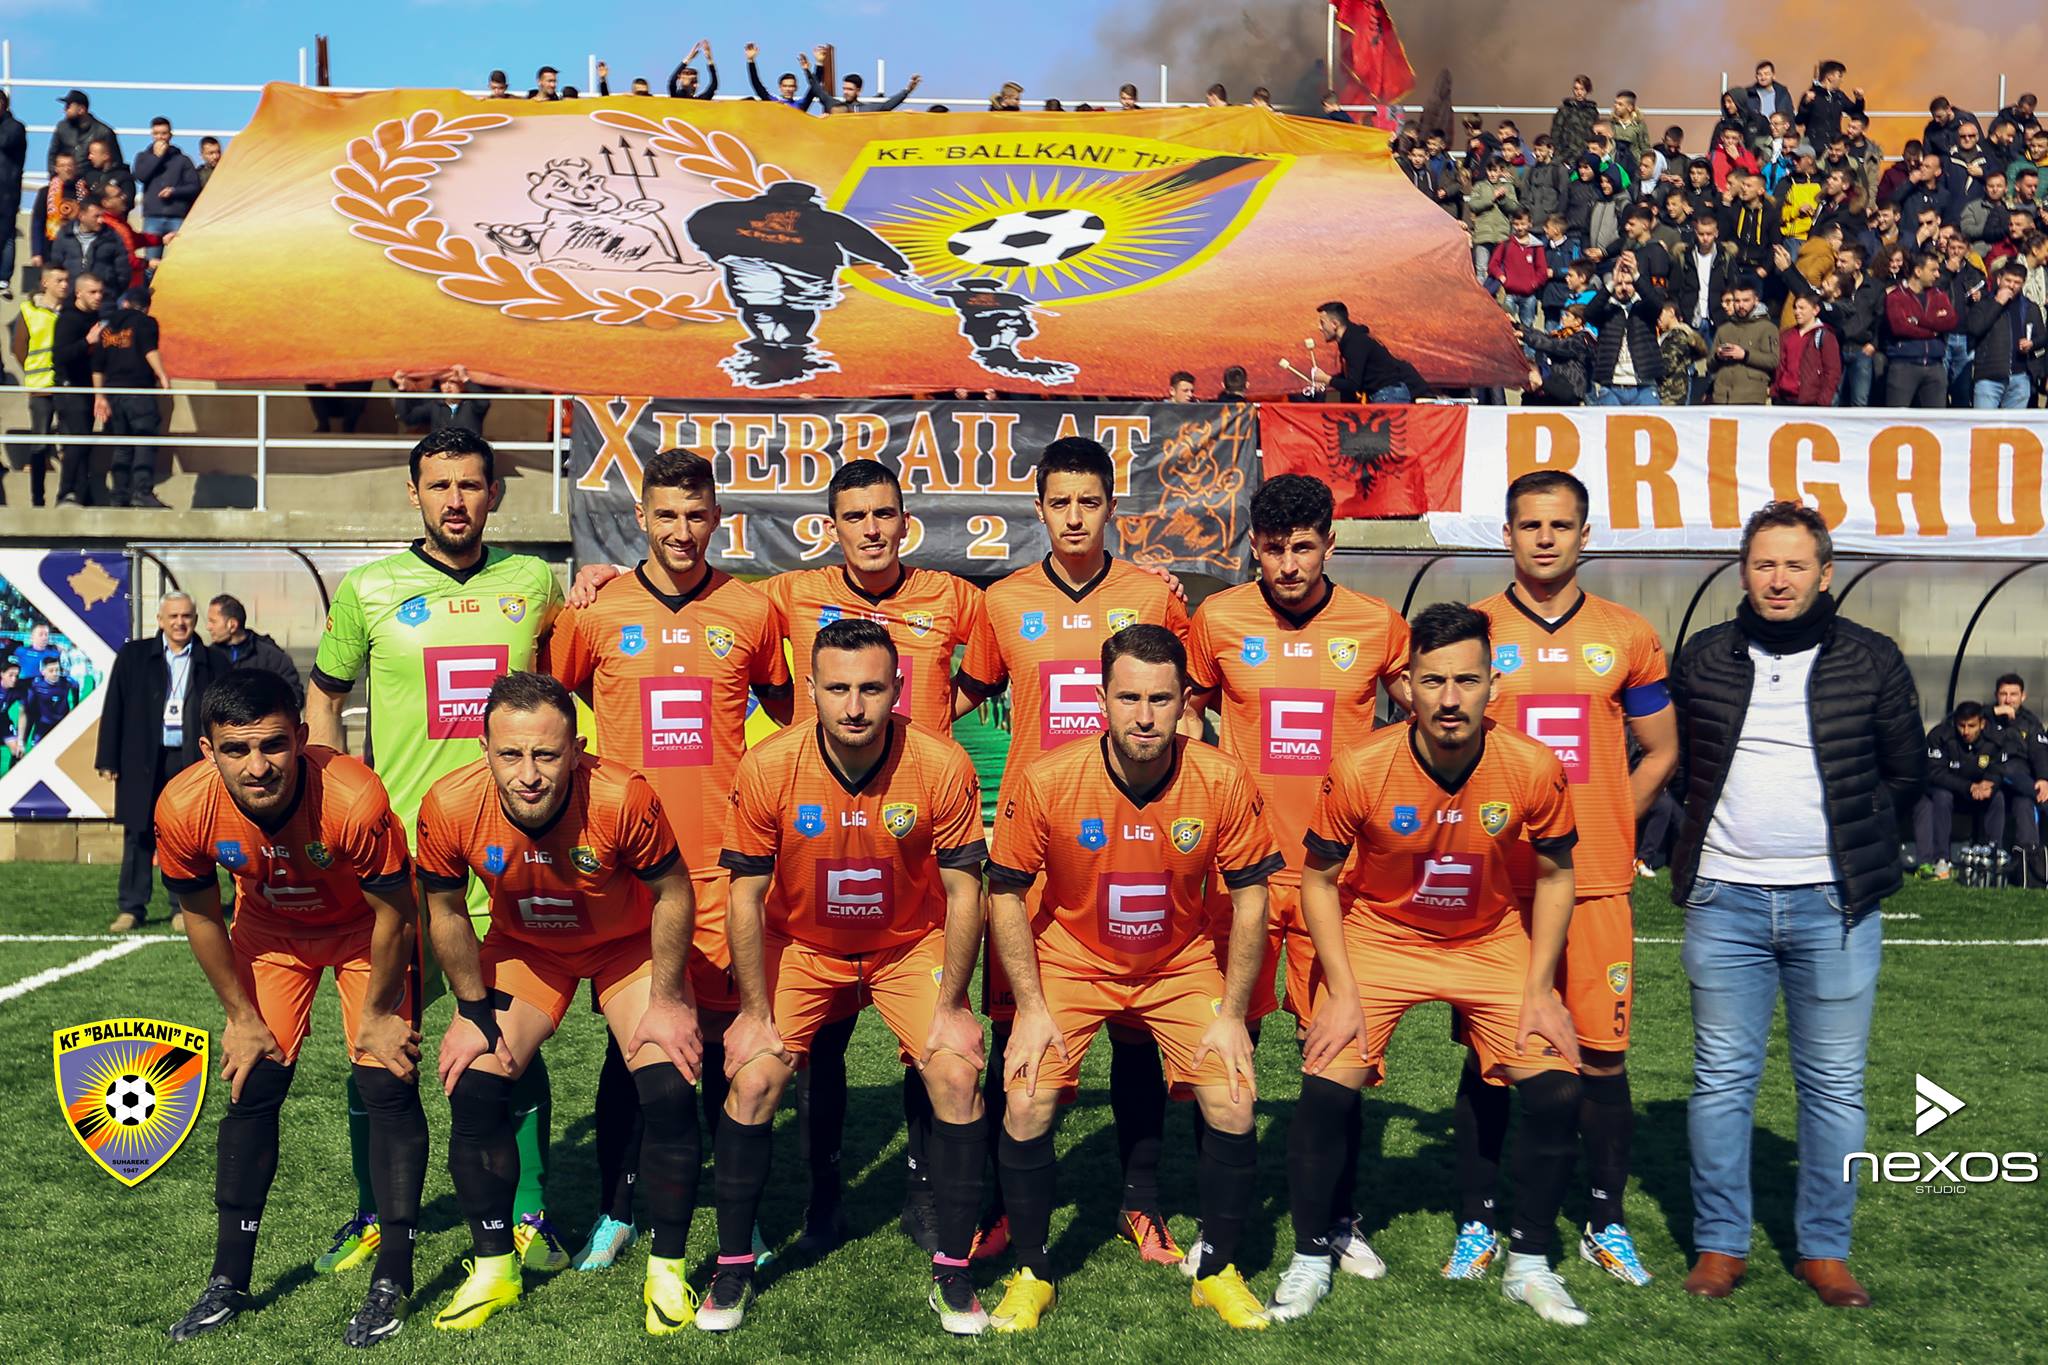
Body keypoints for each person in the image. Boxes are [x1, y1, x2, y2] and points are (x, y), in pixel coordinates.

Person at [307, 428, 565, 1280]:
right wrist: (330, 801)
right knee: (379, 1043)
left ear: (496, 494)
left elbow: (570, 674)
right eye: (440, 484)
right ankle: (374, 1212)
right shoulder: (369, 588)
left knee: (511, 1044)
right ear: (413, 492)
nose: (456, 500)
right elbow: (324, 695)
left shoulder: (534, 582)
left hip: (508, 860)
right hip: (400, 867)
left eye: (471, 484)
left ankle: (528, 1210)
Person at [1290, 602, 1586, 1326]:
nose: (1450, 698)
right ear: (1407, 687)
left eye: (1466, 680)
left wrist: (1541, 987)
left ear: (1493, 685)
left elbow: (1556, 874)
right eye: (1432, 680)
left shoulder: (1533, 766)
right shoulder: (1360, 767)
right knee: (1326, 1087)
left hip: (1488, 939)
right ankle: (1309, 1257)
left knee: (1556, 1092)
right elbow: (1318, 881)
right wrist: (1343, 991)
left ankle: (1531, 1263)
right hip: (1382, 935)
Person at [986, 624, 1281, 1331]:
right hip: (1072, 959)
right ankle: (1032, 1274)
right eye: (1128, 698)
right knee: (1026, 1099)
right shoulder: (1049, 778)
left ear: (1184, 702)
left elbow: (1251, 900)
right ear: (1101, 700)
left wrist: (1231, 1014)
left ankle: (1218, 1271)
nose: (1144, 716)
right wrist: (1030, 1007)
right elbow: (1005, 890)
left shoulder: (1221, 778)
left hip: (1178, 963)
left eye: (1160, 699)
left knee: (1234, 1099)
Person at [1670, 500, 1923, 1309]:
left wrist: (1843, 851)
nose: (1778, 579)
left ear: (1825, 573)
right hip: (1724, 898)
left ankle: (1825, 1248)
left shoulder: (1873, 658)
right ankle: (1720, 1244)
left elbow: (1905, 772)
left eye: (1794, 564)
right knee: (1721, 1080)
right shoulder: (1704, 657)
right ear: (1744, 571)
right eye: (1764, 564)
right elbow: (1682, 768)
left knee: (1836, 1086)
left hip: (1835, 904)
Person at [707, 620, 993, 1335]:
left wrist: (954, 1006)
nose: (855, 706)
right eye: (838, 689)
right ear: (810, 690)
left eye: (871, 688)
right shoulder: (770, 765)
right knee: (754, 1076)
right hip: (803, 945)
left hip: (906, 946)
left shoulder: (941, 762)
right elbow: (744, 896)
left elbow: (965, 892)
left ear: (898, 688)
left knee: (957, 1072)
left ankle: (954, 1272)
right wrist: (751, 1012)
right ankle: (732, 1267)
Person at [544, 450, 793, 1269]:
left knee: (722, 1042)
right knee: (635, 1046)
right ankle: (616, 1209)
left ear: (716, 518)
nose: (681, 530)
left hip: (722, 867)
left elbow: (789, 716)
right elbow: (554, 702)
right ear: (641, 518)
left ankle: (736, 1213)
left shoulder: (750, 609)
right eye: (666, 515)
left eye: (695, 514)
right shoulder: (599, 610)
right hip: (629, 869)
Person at [955, 438, 1194, 1268]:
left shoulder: (1150, 596)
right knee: (1016, 1026)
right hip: (1035, 848)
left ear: (1111, 507)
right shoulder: (1003, 601)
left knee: (1134, 1029)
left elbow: (1189, 702)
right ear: (1040, 508)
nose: (1074, 516)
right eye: (1059, 502)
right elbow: (965, 691)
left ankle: (1141, 1202)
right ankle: (1003, 1206)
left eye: (1089, 502)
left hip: (1133, 840)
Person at [1442, 472, 1675, 1290]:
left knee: (1602, 1059)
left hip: (1596, 882)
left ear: (1585, 535)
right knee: (1492, 1061)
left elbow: (1662, 749)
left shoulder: (1628, 633)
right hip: (1500, 887)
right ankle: (1479, 1222)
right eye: (1530, 524)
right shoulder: (1474, 633)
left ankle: (1606, 1222)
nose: (1545, 538)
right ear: (1506, 534)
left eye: (1561, 525)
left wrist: (1604, 820)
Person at [415, 673, 702, 1336]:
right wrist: (471, 1009)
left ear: (576, 749)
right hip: (528, 948)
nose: (529, 774)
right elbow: (445, 909)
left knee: (668, 1085)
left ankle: (668, 1271)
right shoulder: (450, 803)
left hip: (625, 947)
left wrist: (665, 999)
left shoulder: (621, 795)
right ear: (484, 749)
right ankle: (495, 1269)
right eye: (510, 754)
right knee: (474, 1083)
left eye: (546, 754)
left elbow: (675, 892)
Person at [1182, 473, 1411, 1283]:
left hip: (1335, 881)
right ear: (1254, 545)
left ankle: (1337, 1219)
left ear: (1330, 543)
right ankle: (1219, 1222)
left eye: (1303, 547)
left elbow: (1422, 717)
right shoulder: (1218, 618)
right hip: (1240, 875)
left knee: (1336, 1054)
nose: (1288, 564)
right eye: (1274, 548)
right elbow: (1188, 712)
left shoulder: (1378, 624)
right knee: (1225, 1046)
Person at [156, 670, 427, 1348]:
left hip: (367, 932)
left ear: (302, 737)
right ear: (207, 751)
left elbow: (397, 912)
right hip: (272, 934)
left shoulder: (352, 796)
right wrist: (240, 1016)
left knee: (386, 1081)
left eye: (273, 744)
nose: (258, 766)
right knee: (252, 1084)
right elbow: (201, 915)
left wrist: (379, 1013)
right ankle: (227, 1278)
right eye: (236, 749)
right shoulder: (183, 805)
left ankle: (392, 1277)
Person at [97, 592, 222, 932]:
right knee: (138, 833)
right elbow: (115, 706)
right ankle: (131, 907)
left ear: (195, 619)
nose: (180, 623)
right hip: (143, 758)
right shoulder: (134, 656)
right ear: (160, 620)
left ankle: (183, 907)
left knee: (185, 835)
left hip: (190, 759)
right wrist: (108, 757)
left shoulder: (214, 661)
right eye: (173, 617)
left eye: (186, 616)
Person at [92, 286, 171, 508]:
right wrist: (162, 375)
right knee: (145, 440)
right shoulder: (146, 322)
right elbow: (149, 350)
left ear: (125, 303)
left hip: (113, 393)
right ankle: (142, 492)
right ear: (146, 307)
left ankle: (119, 495)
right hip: (138, 391)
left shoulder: (107, 327)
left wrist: (99, 396)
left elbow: (97, 366)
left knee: (122, 445)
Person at [1914, 701, 2007, 879]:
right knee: (1942, 796)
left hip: (1979, 793)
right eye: (1961, 725)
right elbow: (1935, 773)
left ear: (1982, 724)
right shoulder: (1940, 735)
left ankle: (1993, 856)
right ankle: (1942, 859)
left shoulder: (1996, 738)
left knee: (1998, 797)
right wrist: (1968, 787)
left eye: (1971, 726)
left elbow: (2000, 768)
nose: (1965, 731)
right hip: (1952, 792)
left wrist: (1989, 783)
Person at [9, 264, 68, 505]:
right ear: (45, 283)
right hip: (41, 386)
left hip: (68, 386)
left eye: (66, 280)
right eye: (59, 280)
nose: (64, 285)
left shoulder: (71, 310)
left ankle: (70, 495)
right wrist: (33, 369)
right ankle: (38, 499)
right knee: (39, 442)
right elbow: (19, 347)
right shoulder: (29, 310)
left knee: (72, 443)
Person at [50, 272, 104, 506]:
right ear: (79, 293)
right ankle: (66, 492)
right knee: (77, 441)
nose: (98, 297)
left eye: (101, 292)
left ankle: (82, 494)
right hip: (69, 389)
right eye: (93, 292)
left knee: (84, 443)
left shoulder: (95, 318)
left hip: (86, 389)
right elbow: (59, 356)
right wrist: (87, 342)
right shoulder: (69, 319)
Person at [1988, 673, 2048, 878]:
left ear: (2023, 696)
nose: (2008, 700)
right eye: (2003, 694)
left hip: (2021, 780)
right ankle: (1993, 856)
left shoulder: (2030, 722)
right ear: (1996, 695)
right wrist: (1993, 712)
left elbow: (2040, 752)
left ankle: (2029, 861)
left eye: (2013, 694)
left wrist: (2043, 779)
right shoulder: (1984, 717)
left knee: (2024, 803)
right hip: (1991, 777)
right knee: (2011, 775)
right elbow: (1958, 720)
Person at [1965, 260, 2045, 408]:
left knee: (2014, 424)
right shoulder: (1983, 304)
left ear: (2023, 284)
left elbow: (2042, 337)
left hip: (2020, 378)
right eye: (2008, 280)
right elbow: (1975, 329)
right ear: (1999, 279)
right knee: (1985, 422)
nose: (2012, 286)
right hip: (1989, 377)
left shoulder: (2030, 307)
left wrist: (2032, 344)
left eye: (2017, 282)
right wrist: (1997, 303)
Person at [1883, 251, 1959, 407]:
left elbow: (1951, 321)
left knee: (1935, 419)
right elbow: (1900, 328)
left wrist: (1918, 321)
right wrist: (1933, 330)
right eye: (1933, 270)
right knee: (1897, 418)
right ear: (1918, 271)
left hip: (1935, 366)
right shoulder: (1896, 297)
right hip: (1904, 365)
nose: (1938, 275)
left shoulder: (1940, 295)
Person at [1584, 259, 1665, 405]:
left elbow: (1657, 304)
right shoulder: (1607, 310)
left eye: (1628, 283)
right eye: (1619, 284)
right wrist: (1611, 283)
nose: (1624, 288)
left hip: (1644, 386)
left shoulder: (1644, 309)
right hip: (1611, 386)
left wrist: (1636, 276)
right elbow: (1589, 313)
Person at [206, 594, 303, 705]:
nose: (208, 627)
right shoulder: (208, 657)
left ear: (232, 625)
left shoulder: (271, 657)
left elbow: (294, 696)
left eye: (213, 621)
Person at [1315, 301, 1421, 402]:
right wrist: (1326, 381)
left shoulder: (1355, 342)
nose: (1319, 328)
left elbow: (1353, 385)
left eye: (1322, 323)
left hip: (1388, 395)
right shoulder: (1350, 340)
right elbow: (1349, 376)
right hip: (1384, 394)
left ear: (1334, 324)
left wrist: (1328, 379)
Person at [132, 117, 199, 258]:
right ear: (152, 135)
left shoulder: (182, 160)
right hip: (152, 218)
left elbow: (194, 186)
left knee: (180, 261)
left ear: (170, 135)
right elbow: (141, 176)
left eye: (164, 133)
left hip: (177, 218)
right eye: (156, 133)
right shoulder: (143, 157)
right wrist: (156, 157)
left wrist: (174, 192)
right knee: (152, 262)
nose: (160, 137)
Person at [1707, 281, 1780, 403]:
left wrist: (1745, 355)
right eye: (1737, 301)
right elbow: (1710, 365)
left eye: (1746, 300)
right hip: (1722, 397)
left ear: (1756, 300)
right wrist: (1718, 356)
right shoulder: (1724, 329)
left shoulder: (1767, 328)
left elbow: (1773, 361)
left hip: (1751, 397)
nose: (1741, 305)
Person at [49, 198, 130, 304]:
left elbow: (123, 272)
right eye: (96, 216)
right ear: (82, 216)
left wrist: (111, 294)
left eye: (102, 216)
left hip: (103, 302)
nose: (101, 220)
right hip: (70, 300)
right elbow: (56, 266)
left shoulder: (112, 238)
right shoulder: (65, 236)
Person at [1773, 291, 1842, 405]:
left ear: (1815, 310)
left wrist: (1822, 401)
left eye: (1802, 308)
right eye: (1795, 308)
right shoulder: (1786, 335)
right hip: (1783, 398)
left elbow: (1832, 372)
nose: (1797, 312)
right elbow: (1780, 366)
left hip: (1809, 401)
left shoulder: (1825, 336)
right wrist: (1774, 391)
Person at [393, 368, 491, 436]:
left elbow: (484, 402)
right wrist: (402, 388)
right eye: (443, 382)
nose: (447, 387)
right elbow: (407, 417)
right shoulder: (435, 405)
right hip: (442, 456)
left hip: (468, 455)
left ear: (462, 385)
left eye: (452, 382)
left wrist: (465, 378)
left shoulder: (471, 405)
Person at [48, 89, 119, 173]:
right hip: (65, 179)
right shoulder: (62, 127)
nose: (65, 110)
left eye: (68, 106)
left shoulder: (104, 132)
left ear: (81, 109)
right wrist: (54, 176)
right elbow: (52, 155)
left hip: (92, 179)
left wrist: (97, 179)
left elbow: (115, 163)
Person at [19, 653, 79, 746]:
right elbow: (28, 707)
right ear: (43, 672)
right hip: (43, 724)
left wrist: (75, 706)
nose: (55, 673)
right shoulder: (36, 684)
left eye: (57, 670)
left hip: (61, 722)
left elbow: (76, 688)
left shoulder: (67, 682)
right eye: (51, 671)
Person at [0, 92, 25, 295]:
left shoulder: (15, 127)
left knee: (7, 234)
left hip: (7, 190)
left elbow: (5, 141)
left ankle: (3, 277)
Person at [745, 43, 817, 111]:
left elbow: (814, 88)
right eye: (785, 86)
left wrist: (807, 71)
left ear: (796, 88)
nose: (788, 89)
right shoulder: (773, 101)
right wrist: (751, 60)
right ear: (780, 88)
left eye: (791, 86)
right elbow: (757, 85)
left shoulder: (800, 105)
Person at [1550, 76, 1598, 165]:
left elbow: (1595, 135)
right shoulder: (1564, 110)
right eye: (1576, 89)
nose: (1579, 92)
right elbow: (1555, 134)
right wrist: (1559, 155)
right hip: (1566, 156)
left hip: (1585, 157)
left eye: (1582, 89)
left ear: (1587, 90)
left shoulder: (1592, 112)